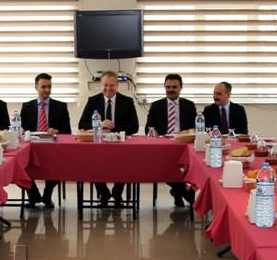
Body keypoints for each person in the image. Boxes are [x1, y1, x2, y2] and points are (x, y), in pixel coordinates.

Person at [77, 70, 140, 206]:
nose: (108, 88)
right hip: (98, 145)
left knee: (126, 162)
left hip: (120, 145)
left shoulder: (127, 101)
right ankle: (103, 193)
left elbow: (134, 127)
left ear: (117, 85)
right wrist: (100, 124)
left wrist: (113, 126)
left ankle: (117, 193)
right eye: (105, 85)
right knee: (92, 162)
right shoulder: (93, 101)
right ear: (101, 85)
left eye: (112, 85)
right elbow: (82, 124)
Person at [144, 73, 198, 207]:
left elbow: (195, 128)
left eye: (174, 87)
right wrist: (153, 131)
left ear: (181, 88)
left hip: (184, 146)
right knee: (165, 168)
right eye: (168, 87)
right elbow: (148, 128)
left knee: (189, 168)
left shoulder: (189, 105)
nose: (171, 90)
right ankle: (185, 194)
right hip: (164, 148)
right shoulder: (156, 106)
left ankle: (178, 192)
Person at [19, 73, 71, 208]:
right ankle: (33, 195)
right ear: (36, 87)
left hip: (52, 147)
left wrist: (57, 131)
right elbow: (21, 129)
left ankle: (47, 194)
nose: (47, 90)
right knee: (21, 164)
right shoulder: (27, 106)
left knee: (60, 164)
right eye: (43, 87)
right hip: (31, 147)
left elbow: (67, 131)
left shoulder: (60, 106)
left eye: (49, 87)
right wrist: (22, 130)